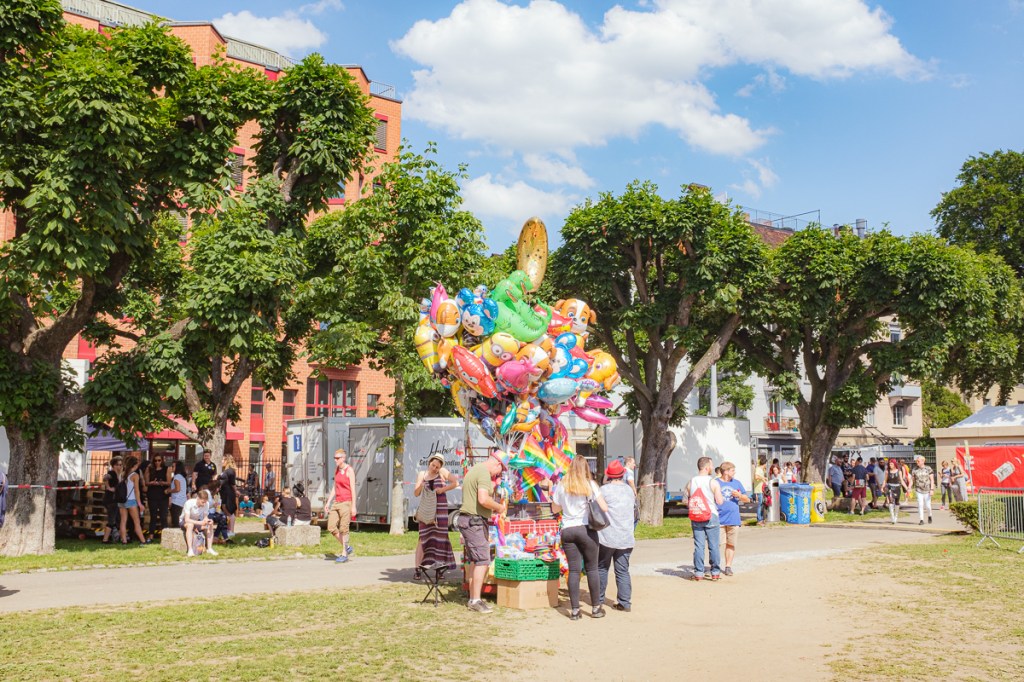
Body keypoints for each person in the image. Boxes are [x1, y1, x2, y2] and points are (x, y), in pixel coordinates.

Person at [552, 454, 608, 620]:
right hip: (586, 529)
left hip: (568, 530)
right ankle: (596, 608)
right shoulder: (590, 484)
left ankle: (575, 610)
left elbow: (555, 509)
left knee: (574, 570)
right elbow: (604, 507)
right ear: (585, 468)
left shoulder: (562, 485)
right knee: (592, 569)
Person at [458, 450, 508, 614]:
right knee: (482, 560)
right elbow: (483, 499)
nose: (498, 474)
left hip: (469, 520)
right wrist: (499, 507)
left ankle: (473, 597)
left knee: (475, 560)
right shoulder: (484, 473)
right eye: (501, 470)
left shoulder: (475, 470)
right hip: (474, 523)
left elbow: (475, 500)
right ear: (498, 464)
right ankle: (475, 600)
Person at [597, 460, 635, 612]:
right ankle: (625, 602)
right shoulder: (629, 491)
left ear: (608, 475)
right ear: (622, 474)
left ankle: (598, 600)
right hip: (626, 536)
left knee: (602, 568)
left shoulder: (604, 490)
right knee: (622, 570)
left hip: (607, 537)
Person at [413, 453, 459, 579]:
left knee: (440, 538)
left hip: (440, 510)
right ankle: (417, 569)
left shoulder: (443, 472)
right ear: (429, 463)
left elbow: (455, 483)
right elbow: (416, 493)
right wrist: (421, 486)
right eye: (433, 465)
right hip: (427, 511)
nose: (434, 468)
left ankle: (439, 569)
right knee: (423, 537)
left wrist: (442, 490)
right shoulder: (422, 474)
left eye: (437, 467)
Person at [687, 456, 724, 581]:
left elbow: (686, 498)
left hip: (696, 515)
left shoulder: (691, 481)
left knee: (699, 546)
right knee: (714, 546)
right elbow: (719, 501)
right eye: (711, 465)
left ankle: (698, 573)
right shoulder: (713, 482)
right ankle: (715, 572)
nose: (713, 468)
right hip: (711, 515)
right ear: (707, 467)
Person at [716, 461, 750, 577]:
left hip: (733, 518)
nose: (734, 472)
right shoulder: (715, 483)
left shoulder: (737, 483)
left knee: (731, 544)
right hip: (718, 518)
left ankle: (728, 566)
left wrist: (739, 496)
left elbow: (747, 499)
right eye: (732, 470)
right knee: (717, 544)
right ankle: (715, 566)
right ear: (725, 472)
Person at [327, 449, 357, 564]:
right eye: (334, 458)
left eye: (337, 458)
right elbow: (335, 487)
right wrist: (328, 502)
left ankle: (344, 553)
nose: (335, 460)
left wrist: (353, 506)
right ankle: (347, 547)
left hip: (346, 502)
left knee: (344, 529)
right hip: (337, 502)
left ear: (343, 458)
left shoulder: (349, 470)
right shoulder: (337, 470)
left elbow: (353, 489)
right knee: (331, 527)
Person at [118, 455, 148, 545]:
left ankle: (124, 541)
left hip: (122, 500)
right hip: (131, 500)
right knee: (136, 522)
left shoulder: (122, 474)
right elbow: (136, 490)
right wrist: (139, 504)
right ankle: (143, 540)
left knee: (123, 521)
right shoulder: (135, 475)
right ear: (134, 465)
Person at [181, 489, 217, 556]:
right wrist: (200, 523)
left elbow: (205, 517)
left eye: (205, 502)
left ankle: (209, 548)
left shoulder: (206, 504)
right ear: (198, 498)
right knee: (190, 525)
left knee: (210, 524)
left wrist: (208, 521)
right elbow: (187, 519)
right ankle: (190, 550)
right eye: (202, 502)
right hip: (184, 521)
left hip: (197, 522)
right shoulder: (189, 503)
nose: (204, 504)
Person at [144, 453, 171, 535]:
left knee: (163, 516)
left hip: (163, 495)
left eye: (159, 460)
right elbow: (146, 482)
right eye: (155, 460)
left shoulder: (167, 469)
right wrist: (152, 483)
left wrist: (162, 483)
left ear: (162, 460)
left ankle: (165, 536)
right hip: (152, 495)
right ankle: (151, 535)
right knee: (153, 516)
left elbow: (169, 482)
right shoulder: (149, 468)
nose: (157, 462)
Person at [101, 457, 122, 544]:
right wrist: (109, 487)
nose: (119, 466)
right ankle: (105, 540)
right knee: (111, 520)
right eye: (117, 465)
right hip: (111, 500)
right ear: (113, 465)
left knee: (117, 519)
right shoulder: (112, 473)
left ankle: (120, 537)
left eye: (120, 465)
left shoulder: (118, 474)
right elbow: (105, 477)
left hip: (114, 500)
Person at [912, 456, 935, 525]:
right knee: (920, 504)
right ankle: (921, 519)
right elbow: (912, 480)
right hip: (918, 489)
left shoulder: (928, 468)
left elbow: (932, 480)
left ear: (923, 461)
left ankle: (929, 515)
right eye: (916, 461)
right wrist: (909, 487)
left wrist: (932, 489)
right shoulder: (915, 469)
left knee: (928, 506)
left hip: (927, 490)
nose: (917, 462)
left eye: (918, 461)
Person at [884, 458, 908, 524]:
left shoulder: (899, 471)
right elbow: (885, 480)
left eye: (891, 464)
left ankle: (896, 516)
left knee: (897, 502)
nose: (890, 465)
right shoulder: (887, 471)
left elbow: (902, 481)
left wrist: (907, 488)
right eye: (889, 464)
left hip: (897, 487)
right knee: (891, 501)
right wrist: (882, 487)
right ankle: (892, 517)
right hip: (889, 487)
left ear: (894, 464)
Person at [219, 455, 238, 536]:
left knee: (229, 511)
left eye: (223, 460)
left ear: (227, 461)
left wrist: (236, 491)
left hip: (229, 494)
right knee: (224, 510)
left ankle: (231, 531)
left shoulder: (230, 471)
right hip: (223, 493)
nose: (222, 461)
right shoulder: (225, 471)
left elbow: (233, 484)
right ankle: (226, 530)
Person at [168, 461, 188, 528]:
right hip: (182, 502)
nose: (172, 468)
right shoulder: (182, 477)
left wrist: (168, 491)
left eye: (173, 466)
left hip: (176, 502)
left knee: (176, 522)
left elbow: (177, 489)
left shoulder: (176, 477)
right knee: (180, 521)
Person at [753, 456, 768, 525]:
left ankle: (761, 518)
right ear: (764, 463)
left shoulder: (761, 470)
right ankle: (759, 520)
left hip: (761, 489)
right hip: (759, 489)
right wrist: (763, 478)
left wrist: (764, 478)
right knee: (760, 504)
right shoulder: (758, 469)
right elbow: (756, 477)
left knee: (762, 504)